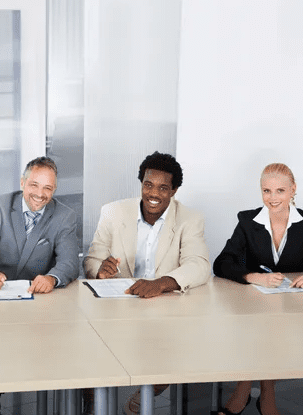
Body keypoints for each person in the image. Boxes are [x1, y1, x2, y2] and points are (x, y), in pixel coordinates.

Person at [213, 163, 303, 415]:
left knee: (272, 329)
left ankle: (243, 392)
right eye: (266, 191)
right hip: (254, 306)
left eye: (280, 191)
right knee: (264, 328)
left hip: (294, 310)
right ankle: (266, 397)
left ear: (293, 190)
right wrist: (254, 276)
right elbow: (221, 263)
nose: (273, 198)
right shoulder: (247, 221)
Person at [83, 151, 211, 415]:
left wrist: (162, 283)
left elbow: (199, 265)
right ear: (141, 184)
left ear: (174, 190)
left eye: (164, 188)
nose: (154, 193)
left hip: (163, 307)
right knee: (91, 348)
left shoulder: (189, 219)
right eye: (148, 185)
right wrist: (100, 271)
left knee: (183, 349)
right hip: (118, 305)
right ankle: (94, 404)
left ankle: (150, 391)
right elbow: (93, 259)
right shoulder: (113, 212)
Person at [0, 156, 79, 414]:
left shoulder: (65, 216)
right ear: (22, 182)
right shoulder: (0, 205)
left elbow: (70, 262)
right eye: (34, 185)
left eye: (47, 188)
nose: (40, 194)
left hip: (39, 300)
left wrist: (52, 278)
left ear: (54, 190)